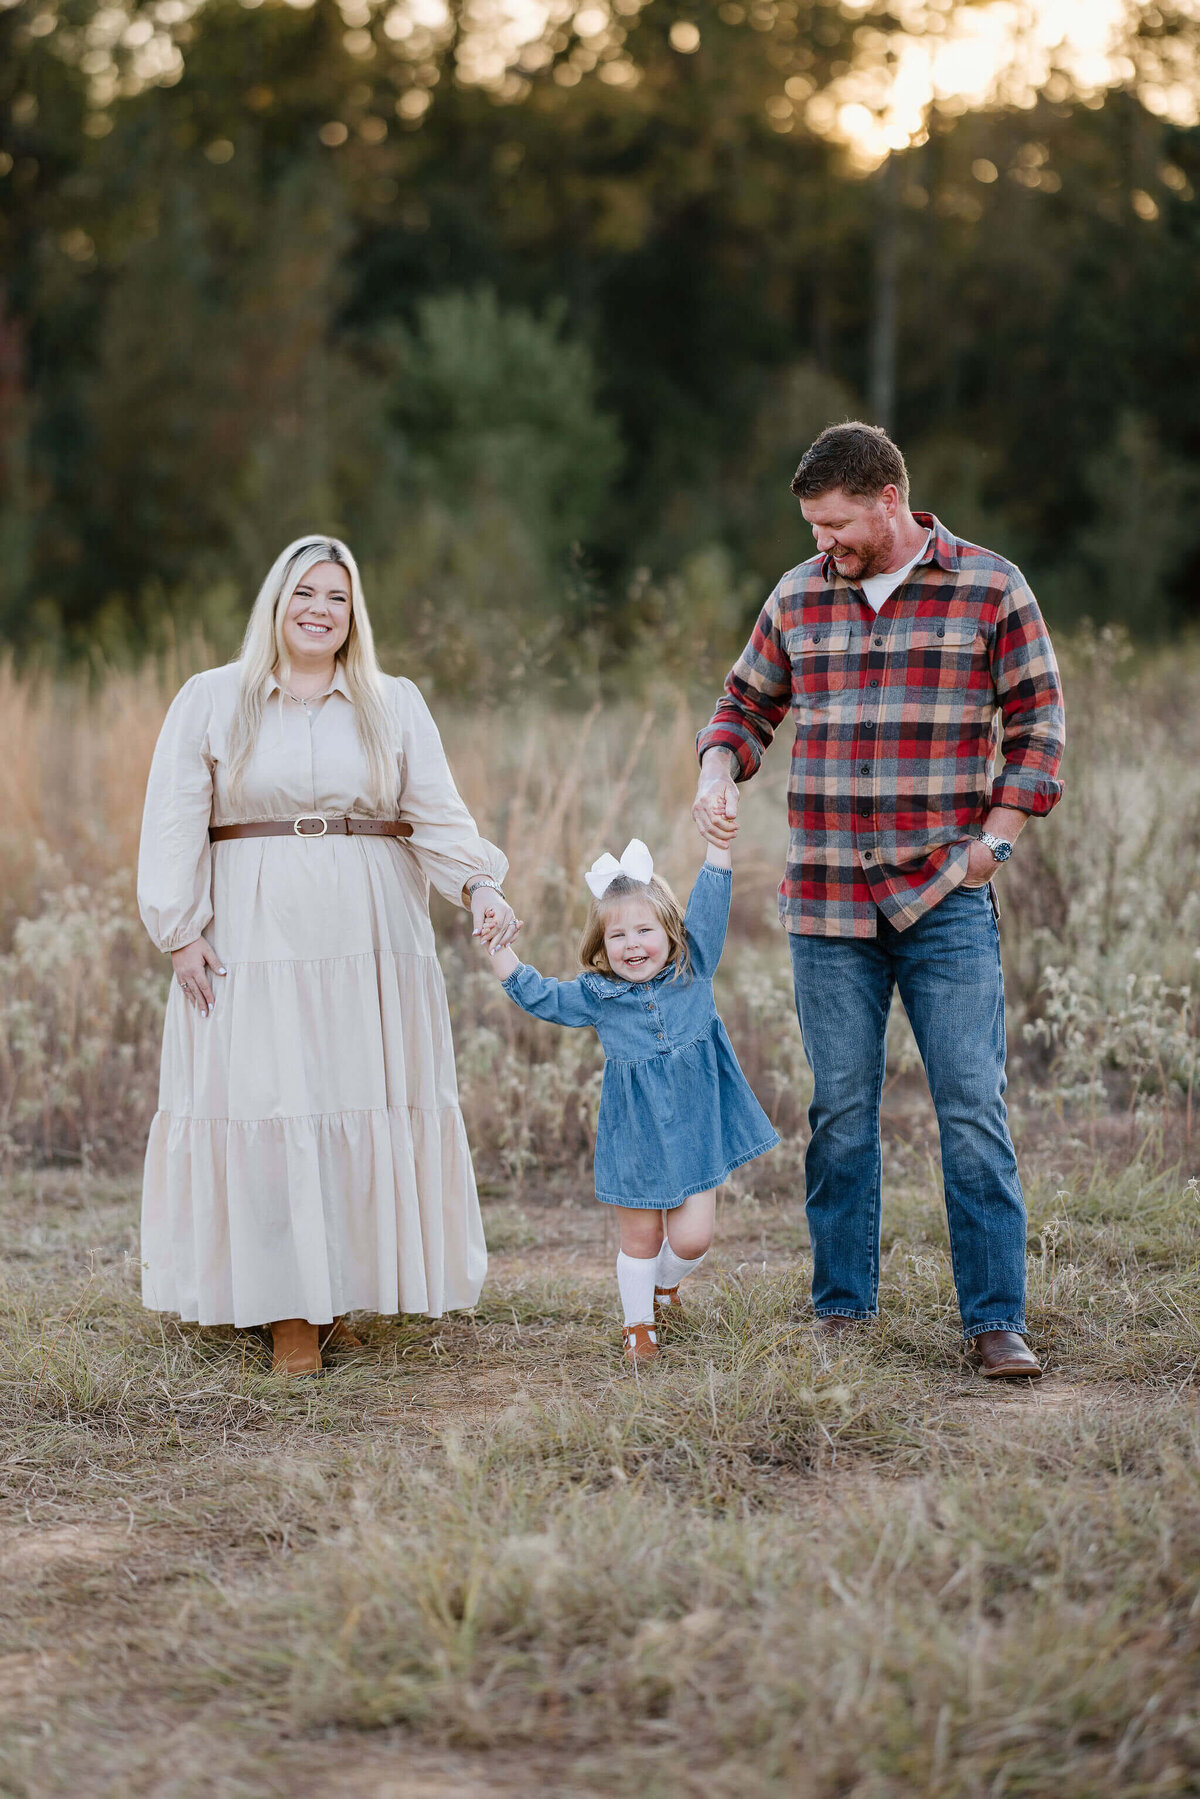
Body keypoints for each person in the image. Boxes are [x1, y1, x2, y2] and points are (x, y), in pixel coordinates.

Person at [694, 422, 1065, 1380]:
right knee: (842, 1112)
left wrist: (995, 843)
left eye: (835, 523)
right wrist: (717, 768)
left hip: (945, 893)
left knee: (972, 1108)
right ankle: (841, 1310)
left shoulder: (991, 587)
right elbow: (744, 705)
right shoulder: (798, 595)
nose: (823, 543)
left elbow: (1038, 732)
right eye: (813, 527)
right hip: (825, 902)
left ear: (889, 499)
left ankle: (994, 1320)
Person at [137, 535, 519, 1375]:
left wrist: (479, 886)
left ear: (355, 614)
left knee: (358, 1095)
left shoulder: (392, 701)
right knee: (271, 1104)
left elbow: (437, 814)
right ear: (275, 602)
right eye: (303, 592)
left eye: (337, 597)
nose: (319, 609)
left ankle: (337, 1288)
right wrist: (180, 929)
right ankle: (286, 1312)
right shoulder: (212, 699)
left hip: (372, 928)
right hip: (254, 927)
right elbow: (173, 820)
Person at [478, 825, 779, 1362]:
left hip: (696, 1125)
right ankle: (638, 1327)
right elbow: (539, 996)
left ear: (669, 933)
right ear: (601, 946)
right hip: (635, 1133)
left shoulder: (695, 967)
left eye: (644, 931)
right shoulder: (599, 996)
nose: (632, 945)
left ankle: (666, 1288)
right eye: (617, 936)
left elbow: (711, 899)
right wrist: (500, 948)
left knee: (691, 1240)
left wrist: (720, 841)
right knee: (640, 1236)